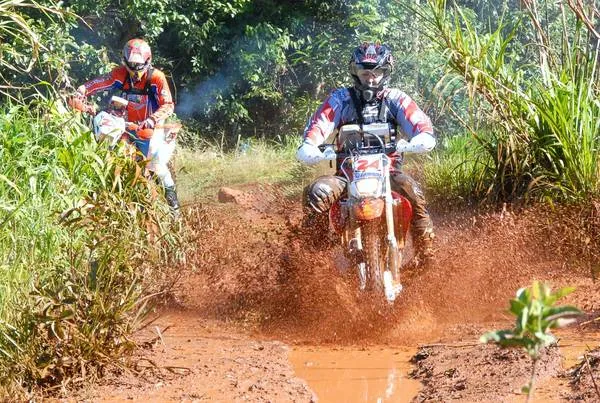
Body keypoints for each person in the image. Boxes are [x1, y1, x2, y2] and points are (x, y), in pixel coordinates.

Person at [296, 42, 436, 264]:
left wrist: (421, 138)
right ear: (356, 72)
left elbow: (419, 123)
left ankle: (425, 253)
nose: (371, 78)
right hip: (347, 176)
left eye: (376, 72)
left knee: (414, 191)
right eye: (365, 72)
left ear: (385, 72)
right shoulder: (340, 99)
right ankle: (314, 259)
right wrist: (310, 145)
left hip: (388, 173)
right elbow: (318, 126)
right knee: (317, 193)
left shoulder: (396, 99)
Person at [75, 38, 180, 212]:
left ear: (147, 61)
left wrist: (152, 119)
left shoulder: (156, 77)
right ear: (125, 62)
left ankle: (174, 209)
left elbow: (168, 105)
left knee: (156, 164)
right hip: (126, 126)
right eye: (131, 65)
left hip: (150, 128)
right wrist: (82, 90)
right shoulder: (120, 74)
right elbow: (100, 82)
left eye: (138, 65)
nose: (135, 71)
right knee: (113, 155)